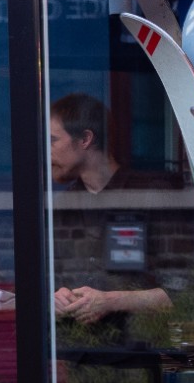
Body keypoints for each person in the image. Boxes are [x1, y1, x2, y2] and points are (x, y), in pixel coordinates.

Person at [49, 93, 173, 326]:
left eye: (52, 140)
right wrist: (55, 298)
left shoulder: (149, 197)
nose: (47, 151)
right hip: (76, 345)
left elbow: (188, 290)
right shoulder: (63, 206)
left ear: (85, 139)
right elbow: (45, 282)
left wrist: (112, 301)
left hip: (142, 345)